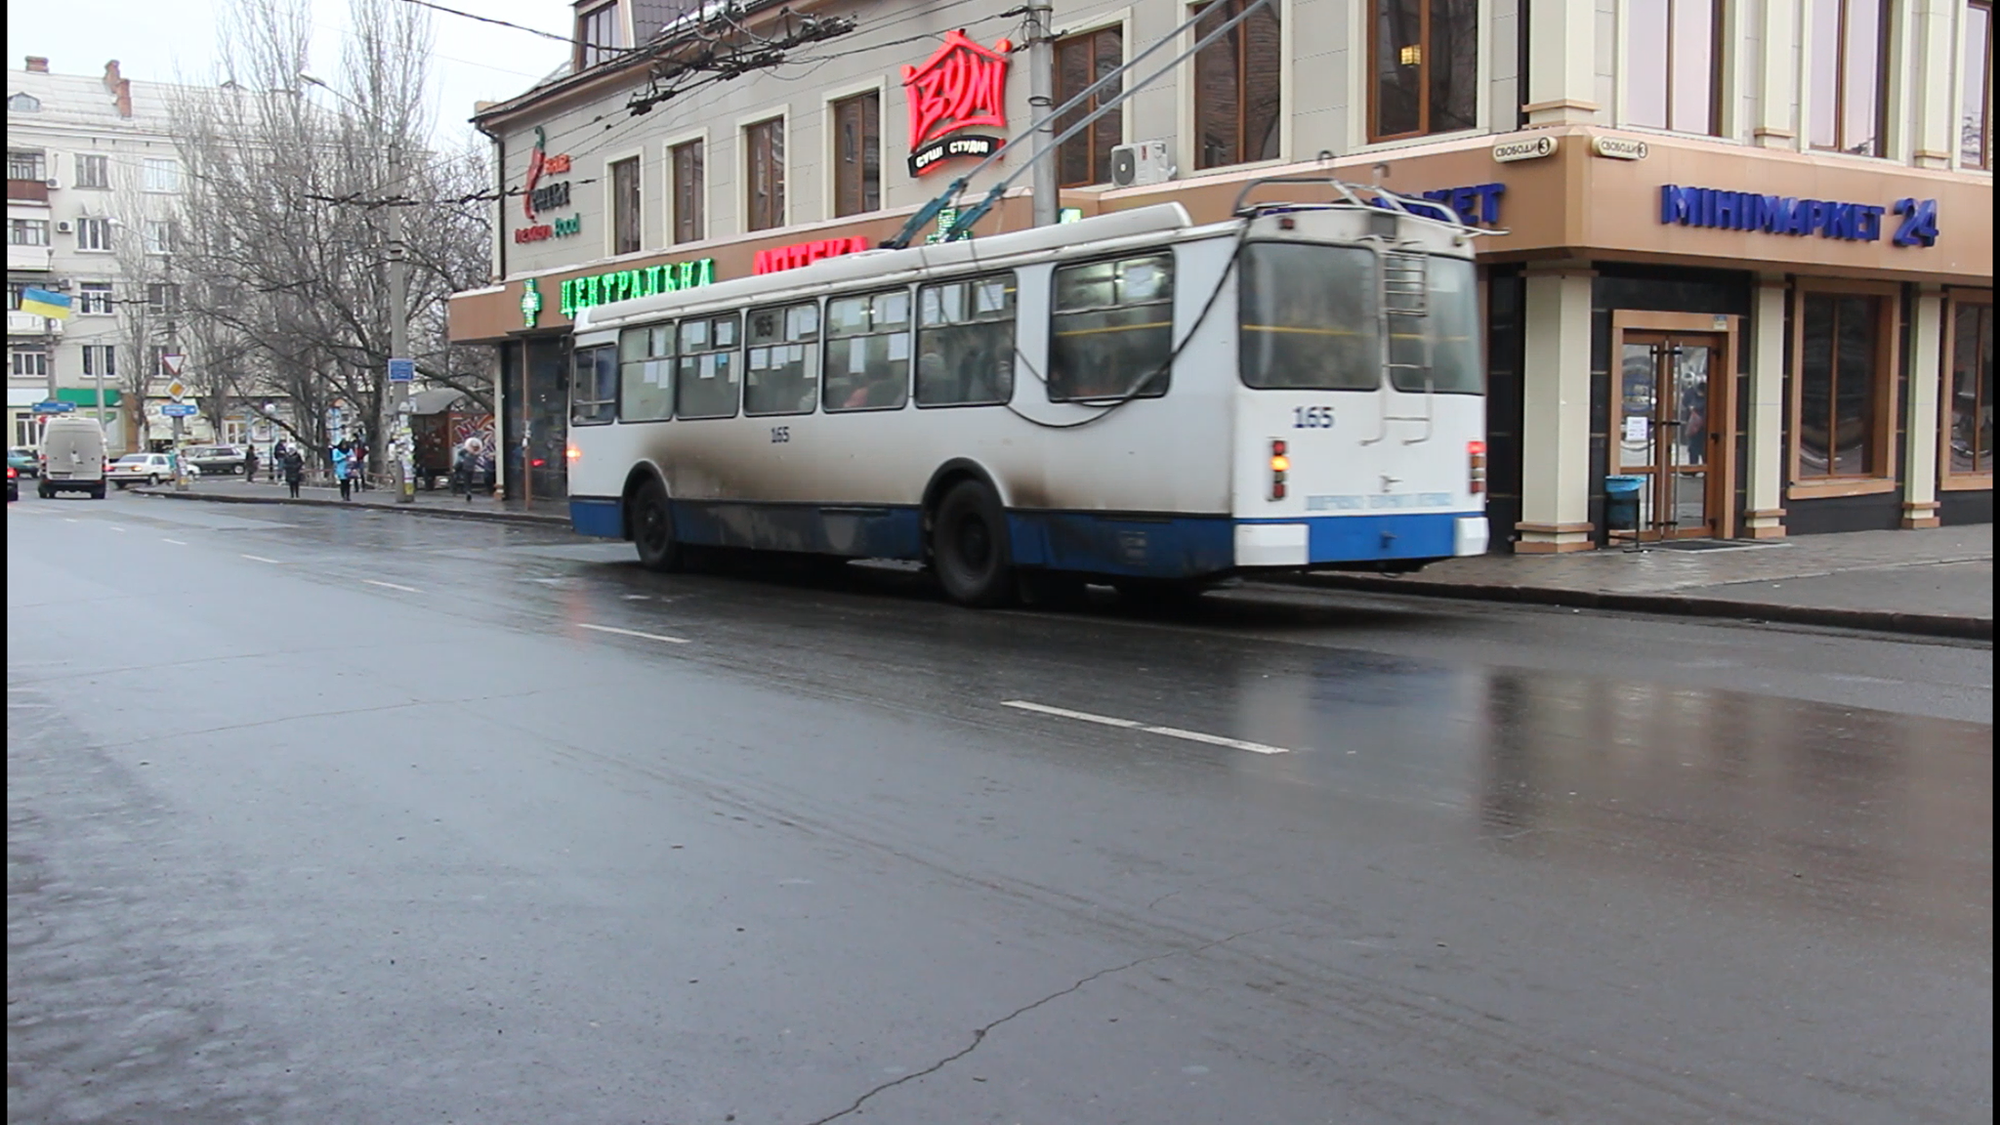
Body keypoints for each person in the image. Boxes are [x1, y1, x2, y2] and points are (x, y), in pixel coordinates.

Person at [452, 438, 483, 502]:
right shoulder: (474, 453)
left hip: (466, 468)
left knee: (465, 480)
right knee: (467, 480)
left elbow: (459, 459)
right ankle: (467, 491)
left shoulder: (465, 452)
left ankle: (463, 491)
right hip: (467, 468)